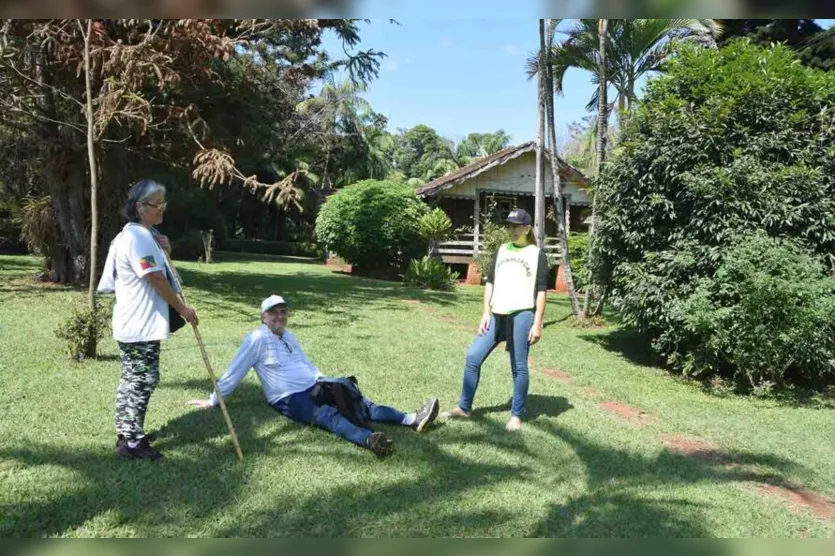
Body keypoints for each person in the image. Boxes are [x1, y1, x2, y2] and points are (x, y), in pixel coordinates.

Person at [188, 295, 440, 457]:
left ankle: (412, 419)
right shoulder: (256, 339)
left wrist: (326, 380)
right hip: (288, 398)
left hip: (315, 383)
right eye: (273, 312)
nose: (279, 316)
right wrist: (213, 399)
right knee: (329, 416)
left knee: (359, 401)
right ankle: (369, 440)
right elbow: (235, 371)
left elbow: (305, 362)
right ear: (263, 316)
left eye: (283, 311)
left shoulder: (289, 335)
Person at [97, 179, 199, 461]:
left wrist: (165, 249)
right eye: (157, 204)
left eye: (164, 203)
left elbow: (158, 269)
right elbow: (154, 278)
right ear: (140, 207)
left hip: (132, 323)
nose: (162, 209)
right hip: (140, 325)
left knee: (131, 379)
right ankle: (133, 443)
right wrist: (183, 309)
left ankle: (127, 432)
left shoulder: (138, 235)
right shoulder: (138, 237)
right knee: (144, 380)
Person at [443, 208, 548, 431]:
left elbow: (541, 291)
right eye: (509, 226)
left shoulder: (536, 254)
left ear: (527, 228)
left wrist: (537, 322)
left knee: (518, 366)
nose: (511, 230)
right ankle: (464, 407)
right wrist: (485, 312)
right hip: (497, 314)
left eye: (516, 226)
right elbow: (490, 282)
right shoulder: (501, 250)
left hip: (522, 314)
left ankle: (516, 415)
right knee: (473, 356)